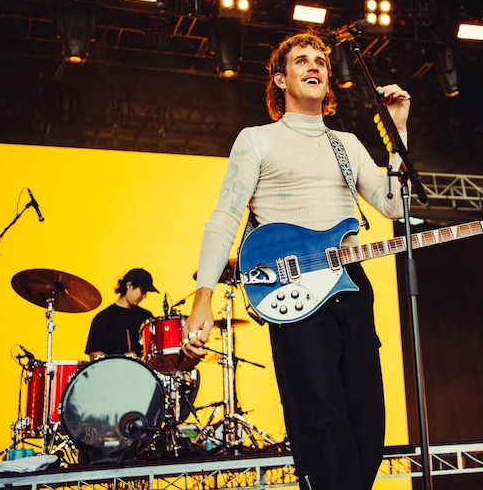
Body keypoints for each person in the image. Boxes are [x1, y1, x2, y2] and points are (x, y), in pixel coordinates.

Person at [182, 30, 410, 490]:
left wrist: (399, 131)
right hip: (295, 290)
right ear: (280, 79)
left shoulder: (345, 144)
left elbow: (395, 207)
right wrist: (202, 298)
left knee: (368, 415)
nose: (314, 66)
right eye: (302, 60)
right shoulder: (258, 139)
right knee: (319, 416)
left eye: (322, 62)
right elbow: (225, 215)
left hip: (350, 283)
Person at [85, 268, 158, 361]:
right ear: (129, 285)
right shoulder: (103, 318)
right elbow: (94, 355)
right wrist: (121, 359)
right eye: (143, 291)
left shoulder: (146, 317)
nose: (144, 296)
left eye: (146, 293)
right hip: (113, 373)